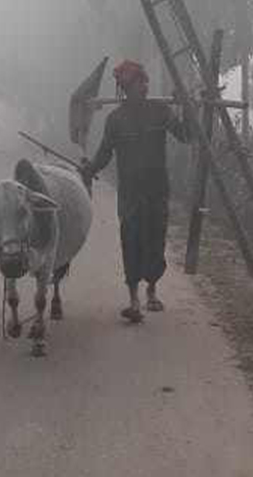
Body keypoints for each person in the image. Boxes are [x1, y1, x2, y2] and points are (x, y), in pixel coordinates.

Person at [80, 60, 188, 323]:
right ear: (125, 89)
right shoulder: (115, 120)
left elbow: (186, 135)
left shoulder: (161, 111)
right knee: (130, 239)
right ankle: (133, 299)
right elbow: (105, 153)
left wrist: (188, 106)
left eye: (144, 81)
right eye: (137, 83)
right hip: (129, 192)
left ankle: (151, 290)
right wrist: (90, 168)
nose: (143, 86)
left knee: (155, 239)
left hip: (157, 188)